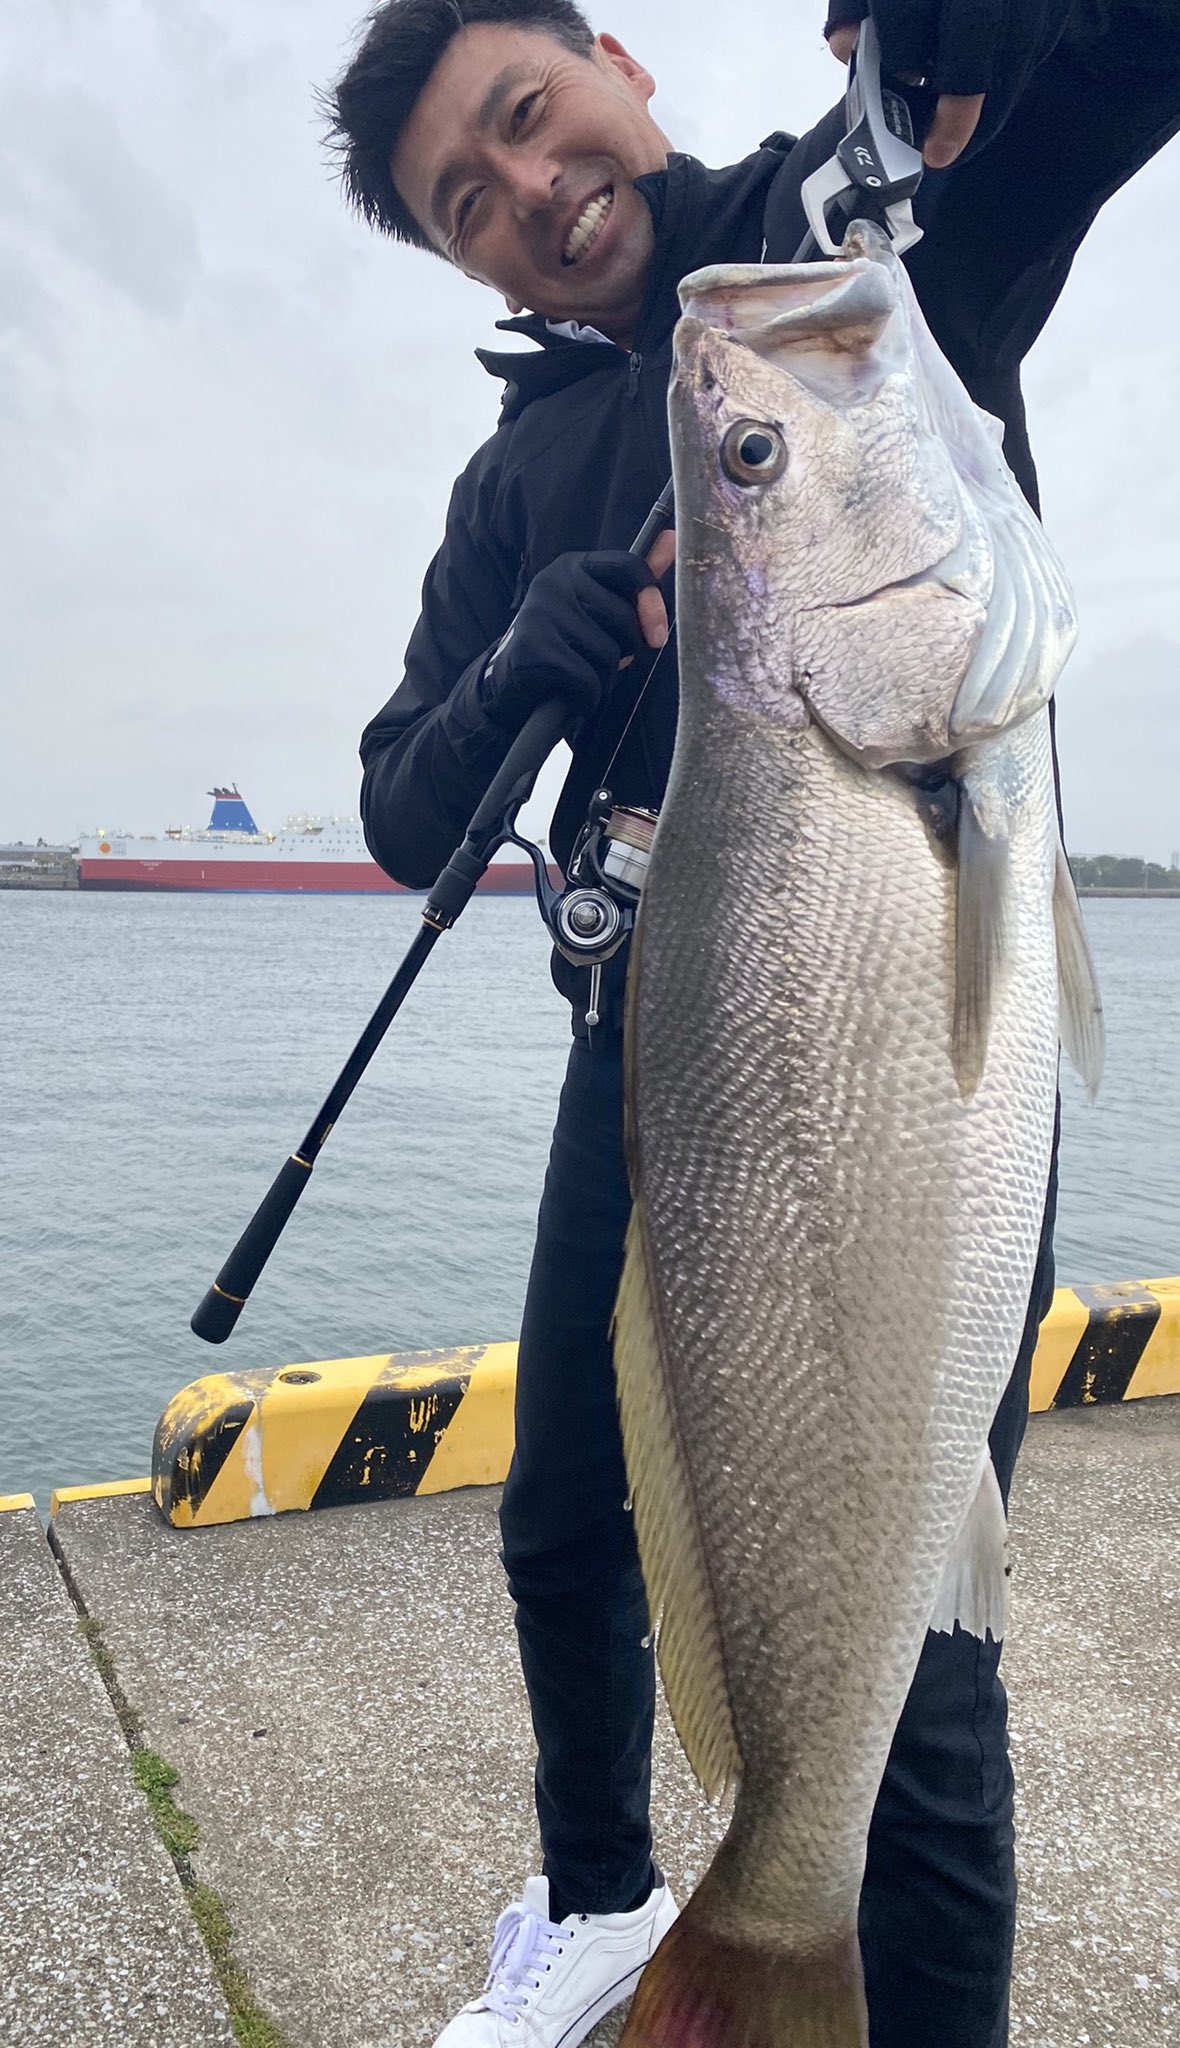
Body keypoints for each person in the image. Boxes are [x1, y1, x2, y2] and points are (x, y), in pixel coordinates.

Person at [325, 5, 1179, 2042]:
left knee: (916, 1643)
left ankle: (842, 1956)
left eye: (528, 117)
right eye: (468, 201)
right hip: (653, 1044)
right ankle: (608, 1917)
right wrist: (513, 670)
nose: (528, 193)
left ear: (612, 60)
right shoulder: (506, 476)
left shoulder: (846, 240)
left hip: (896, 1041)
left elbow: (1116, 66)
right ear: (460, 262)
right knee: (557, 1510)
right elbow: (393, 810)